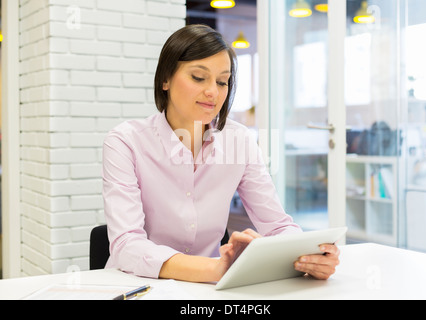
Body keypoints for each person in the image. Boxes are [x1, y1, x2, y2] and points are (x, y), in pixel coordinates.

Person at [102, 24, 340, 283]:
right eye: (198, 77)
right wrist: (216, 269)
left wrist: (308, 256)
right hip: (138, 285)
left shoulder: (239, 140)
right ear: (165, 79)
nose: (213, 92)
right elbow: (127, 244)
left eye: (222, 81)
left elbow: (278, 226)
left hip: (210, 289)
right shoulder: (126, 141)